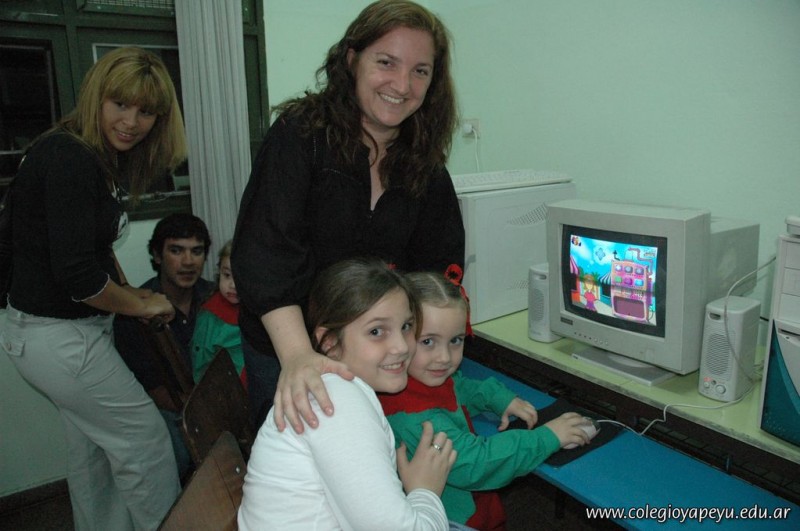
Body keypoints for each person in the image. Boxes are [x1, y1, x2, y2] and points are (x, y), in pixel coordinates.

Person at [232, 0, 465, 433]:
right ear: (352, 59)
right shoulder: (301, 136)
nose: (402, 84)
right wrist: (299, 356)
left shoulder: (426, 166)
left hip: (380, 357)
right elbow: (265, 256)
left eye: (420, 70)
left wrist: (424, 350)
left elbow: (435, 272)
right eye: (386, 62)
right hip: (290, 350)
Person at [1, 47, 186, 530]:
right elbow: (80, 277)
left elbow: (91, 252)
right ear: (96, 97)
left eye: (146, 112)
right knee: (146, 442)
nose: (131, 122)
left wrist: (134, 297)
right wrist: (140, 304)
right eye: (120, 104)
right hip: (60, 338)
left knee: (94, 456)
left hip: (55, 335)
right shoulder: (70, 157)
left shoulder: (87, 154)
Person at [238, 258, 456, 530]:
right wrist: (425, 490)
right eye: (376, 331)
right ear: (330, 343)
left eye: (406, 326)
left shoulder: (334, 388)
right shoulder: (335, 399)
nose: (402, 346)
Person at [379, 271, 597, 530]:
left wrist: (501, 399)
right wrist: (549, 437)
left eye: (455, 340)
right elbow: (478, 462)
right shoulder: (414, 419)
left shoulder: (416, 379)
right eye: (428, 341)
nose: (444, 357)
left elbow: (461, 387)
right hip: (456, 521)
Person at [113, 212, 214, 480]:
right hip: (167, 410)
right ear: (157, 256)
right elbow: (153, 389)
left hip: (215, 403)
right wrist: (202, 416)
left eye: (197, 251)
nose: (188, 261)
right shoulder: (134, 313)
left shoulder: (216, 299)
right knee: (171, 453)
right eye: (176, 251)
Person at [190, 239, 245, 383]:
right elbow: (201, 367)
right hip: (226, 389)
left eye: (241, 277)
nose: (232, 285)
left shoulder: (259, 308)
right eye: (227, 275)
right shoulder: (209, 316)